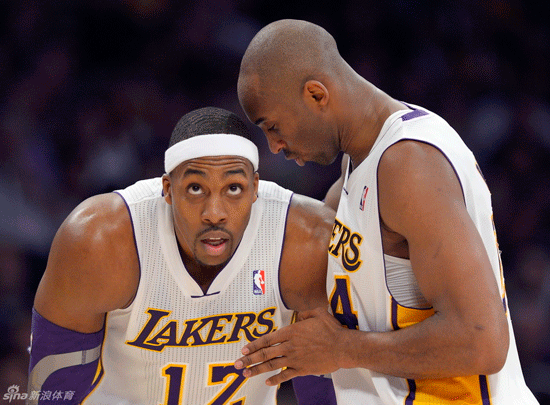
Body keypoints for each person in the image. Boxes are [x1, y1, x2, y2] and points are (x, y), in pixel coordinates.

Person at [234, 19, 540, 404]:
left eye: (273, 126)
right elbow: (306, 237)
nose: (273, 145)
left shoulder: (408, 164)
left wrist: (341, 349)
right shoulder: (361, 162)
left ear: (316, 95)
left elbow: (481, 341)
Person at [27, 106, 337, 405]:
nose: (214, 214)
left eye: (233, 188)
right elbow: (53, 386)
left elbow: (324, 381)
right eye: (195, 188)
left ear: (255, 187)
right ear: (168, 188)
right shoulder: (100, 239)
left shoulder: (304, 239)